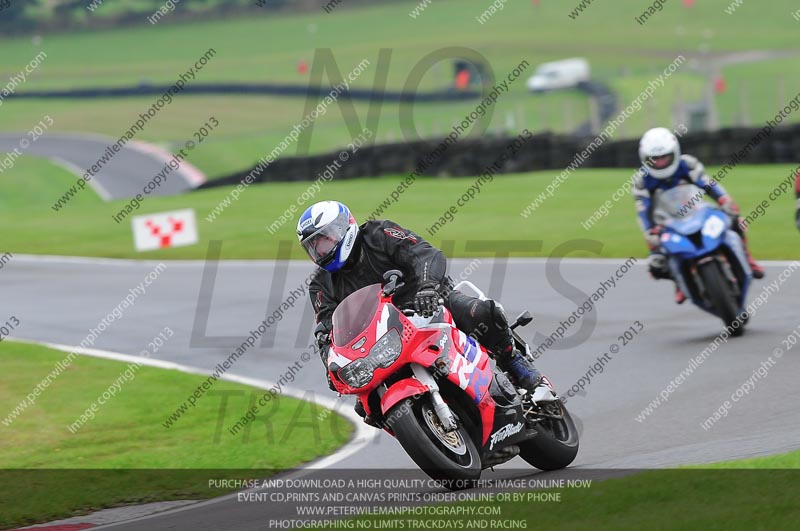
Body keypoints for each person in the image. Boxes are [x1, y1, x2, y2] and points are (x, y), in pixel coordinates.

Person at [296, 200, 544, 423]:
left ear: (343, 227)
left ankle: (514, 362)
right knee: (366, 407)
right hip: (382, 336)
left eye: (324, 240)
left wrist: (427, 287)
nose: (321, 251)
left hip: (429, 301)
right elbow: (326, 329)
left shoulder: (379, 234)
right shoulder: (320, 284)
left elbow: (425, 254)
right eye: (313, 247)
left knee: (479, 313)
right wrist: (330, 364)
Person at [633, 127, 765, 304]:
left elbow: (708, 184)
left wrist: (725, 201)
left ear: (675, 152)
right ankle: (680, 283)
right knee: (657, 263)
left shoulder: (686, 164)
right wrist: (650, 234)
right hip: (667, 221)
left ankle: (748, 258)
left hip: (697, 210)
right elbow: (643, 211)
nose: (660, 163)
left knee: (734, 221)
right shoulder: (641, 181)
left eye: (665, 157)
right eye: (655, 159)